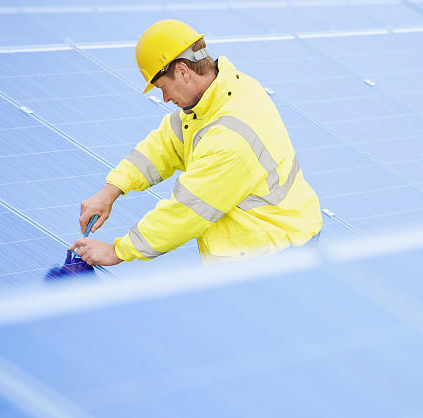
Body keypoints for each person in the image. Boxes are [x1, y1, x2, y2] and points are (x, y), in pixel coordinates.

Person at [71, 19, 322, 267]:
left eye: (163, 87)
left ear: (182, 71)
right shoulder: (224, 91)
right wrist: (112, 189)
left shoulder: (229, 140)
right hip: (273, 234)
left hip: (275, 252)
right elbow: (166, 144)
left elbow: (186, 211)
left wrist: (118, 251)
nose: (165, 98)